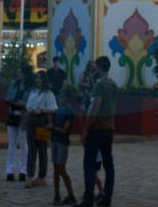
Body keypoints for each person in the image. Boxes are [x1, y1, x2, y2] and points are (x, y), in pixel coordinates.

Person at [79, 56, 116, 207]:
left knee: (89, 164)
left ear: (99, 67)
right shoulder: (113, 84)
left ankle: (88, 198)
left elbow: (96, 106)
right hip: (109, 127)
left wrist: (86, 128)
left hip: (97, 128)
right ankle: (107, 198)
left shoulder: (99, 85)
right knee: (108, 164)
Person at [26, 70, 57, 186]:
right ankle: (29, 175)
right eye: (36, 78)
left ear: (44, 79)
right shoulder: (33, 91)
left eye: (39, 78)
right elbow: (28, 105)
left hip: (42, 121)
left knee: (42, 150)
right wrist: (30, 110)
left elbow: (53, 109)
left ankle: (42, 176)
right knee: (31, 150)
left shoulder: (48, 93)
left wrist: (41, 111)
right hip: (31, 120)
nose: (37, 80)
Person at [4, 65, 32, 181]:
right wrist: (10, 102)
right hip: (13, 114)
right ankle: (10, 170)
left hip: (24, 116)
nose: (18, 74)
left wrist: (24, 103)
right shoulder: (13, 84)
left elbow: (31, 101)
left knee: (23, 143)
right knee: (12, 143)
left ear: (25, 74)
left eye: (20, 72)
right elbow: (7, 97)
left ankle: (23, 170)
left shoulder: (30, 87)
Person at [51, 85, 77, 206]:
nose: (60, 99)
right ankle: (57, 194)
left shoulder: (70, 112)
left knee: (61, 169)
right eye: (60, 96)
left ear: (67, 98)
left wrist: (52, 127)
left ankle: (71, 195)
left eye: (62, 97)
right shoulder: (58, 109)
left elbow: (65, 130)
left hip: (62, 142)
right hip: (55, 140)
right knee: (56, 169)